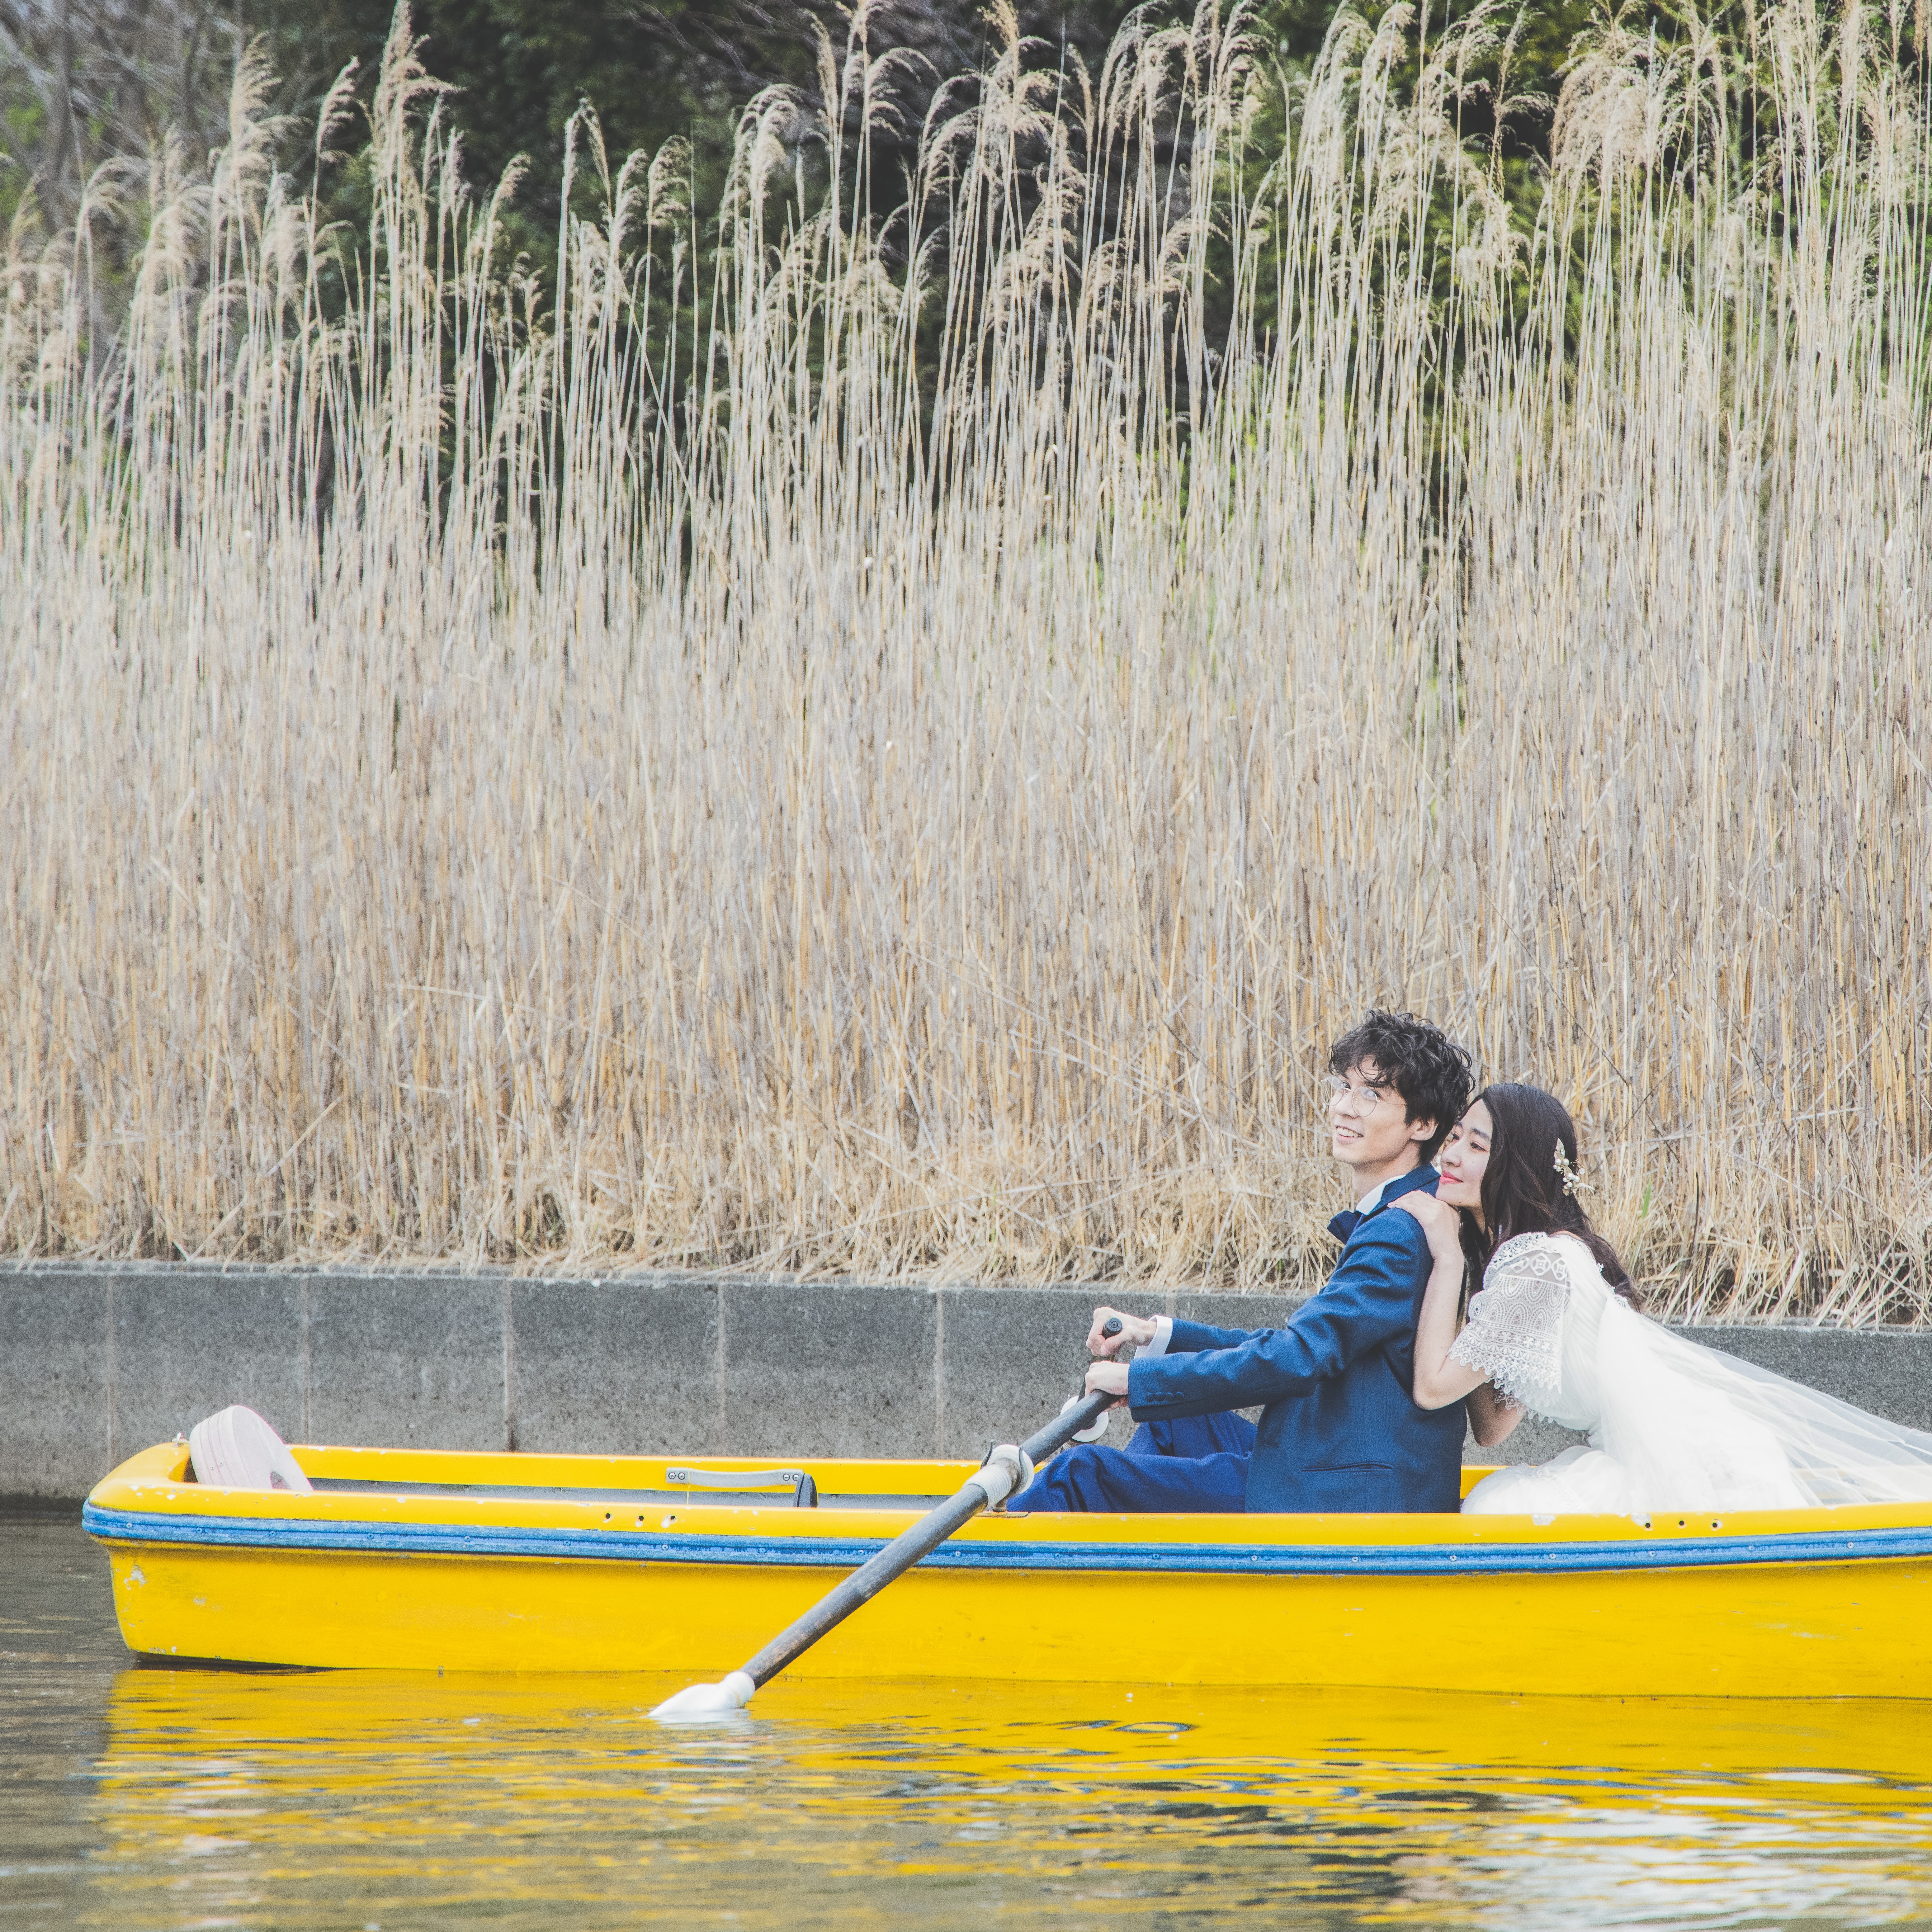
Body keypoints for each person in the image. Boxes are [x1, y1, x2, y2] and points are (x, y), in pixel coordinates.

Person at [1397, 1082, 1932, 1513]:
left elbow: (1431, 1388)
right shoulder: (1527, 1263)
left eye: (1477, 1145)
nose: (1452, 1154)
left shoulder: (1539, 1267)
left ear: (1518, 1166)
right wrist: (1470, 1282)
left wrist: (1446, 1259)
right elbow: (1492, 1429)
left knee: (1501, 1510)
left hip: (1696, 1465)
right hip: (1642, 1455)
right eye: (1455, 1138)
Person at [1025, 1010, 1475, 1513]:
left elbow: (1299, 1357)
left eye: (1372, 1095)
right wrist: (1157, 1335)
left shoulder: (1400, 1231)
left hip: (1344, 1496)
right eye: (1343, 1086)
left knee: (1078, 1473)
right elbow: (1307, 1345)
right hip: (1334, 1459)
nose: (1344, 1108)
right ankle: (1173, 1570)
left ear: (1424, 1123)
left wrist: (1137, 1381)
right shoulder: (1416, 1212)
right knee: (1172, 1413)